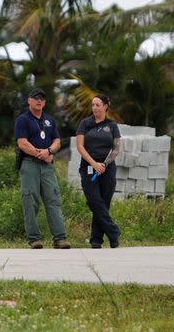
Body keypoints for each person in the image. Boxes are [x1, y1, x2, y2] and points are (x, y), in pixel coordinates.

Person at [14, 88, 71, 249]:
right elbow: (22, 143)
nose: (39, 100)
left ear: (44, 102)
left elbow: (57, 141)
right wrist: (41, 154)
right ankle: (34, 239)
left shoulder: (50, 120)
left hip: (47, 166)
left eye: (42, 98)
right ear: (29, 100)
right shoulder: (23, 120)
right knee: (30, 200)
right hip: (29, 163)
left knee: (53, 199)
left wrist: (50, 151)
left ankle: (60, 238)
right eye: (35, 98)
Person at [76, 94, 121, 248]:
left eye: (97, 105)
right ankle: (113, 232)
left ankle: (96, 240)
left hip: (107, 168)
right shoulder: (85, 123)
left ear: (105, 106)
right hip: (89, 167)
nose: (94, 107)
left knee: (104, 202)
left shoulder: (112, 125)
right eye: (93, 105)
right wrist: (94, 164)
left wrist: (104, 164)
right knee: (94, 201)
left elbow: (116, 148)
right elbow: (80, 146)